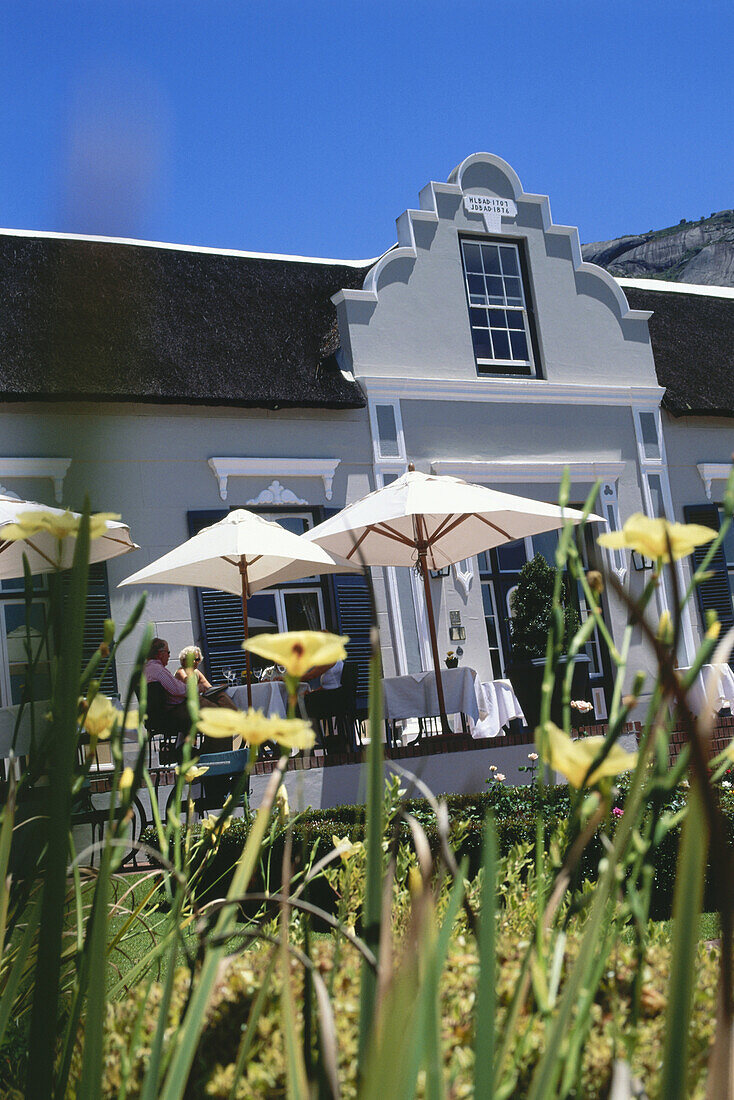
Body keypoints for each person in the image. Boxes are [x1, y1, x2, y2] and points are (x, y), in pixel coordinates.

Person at [174, 645, 237, 710]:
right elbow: (189, 685)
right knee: (208, 704)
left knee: (221, 695)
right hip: (184, 703)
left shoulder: (196, 672)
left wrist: (218, 688)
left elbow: (209, 687)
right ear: (184, 660)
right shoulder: (181, 671)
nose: (194, 662)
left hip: (197, 699)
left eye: (197, 659)